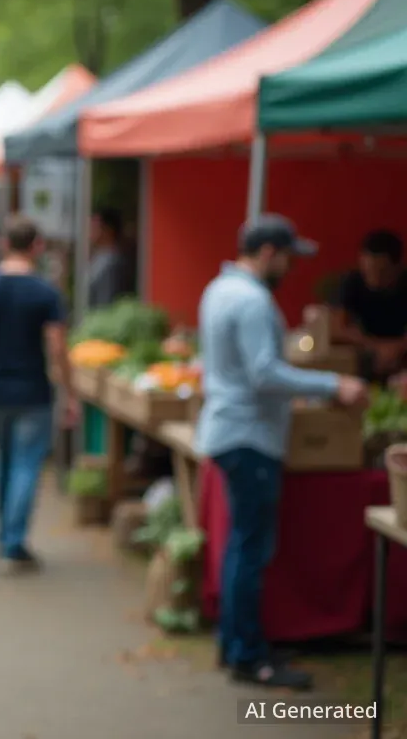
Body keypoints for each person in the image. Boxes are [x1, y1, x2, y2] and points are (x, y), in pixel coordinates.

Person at [198, 214, 366, 690]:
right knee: (251, 549)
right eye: (289, 256)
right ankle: (251, 656)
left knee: (241, 546)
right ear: (268, 252)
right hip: (249, 435)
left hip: (232, 430)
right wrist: (334, 384)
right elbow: (265, 373)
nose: (292, 266)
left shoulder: (219, 289)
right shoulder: (251, 300)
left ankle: (235, 644)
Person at [0, 216, 78, 572]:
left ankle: (4, 534)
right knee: (27, 463)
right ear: (37, 247)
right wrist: (70, 391)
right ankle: (13, 541)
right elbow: (58, 347)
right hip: (33, 388)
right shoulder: (45, 292)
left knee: (4, 460)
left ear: (3, 244)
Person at [331, 229, 407, 381]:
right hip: (364, 353)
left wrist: (396, 348)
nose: (373, 278)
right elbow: (338, 329)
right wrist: (377, 347)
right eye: (368, 271)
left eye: (381, 272)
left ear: (397, 267)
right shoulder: (351, 282)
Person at [87, 207, 130, 309]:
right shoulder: (97, 258)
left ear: (108, 230)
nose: (90, 230)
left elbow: (105, 304)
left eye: (95, 226)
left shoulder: (113, 263)